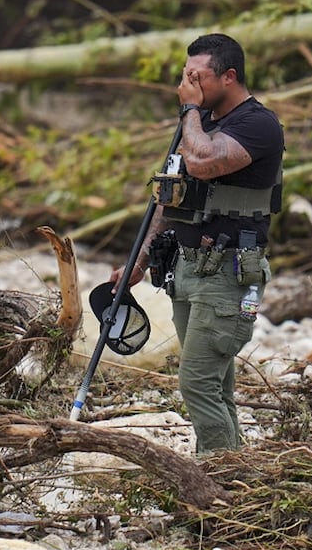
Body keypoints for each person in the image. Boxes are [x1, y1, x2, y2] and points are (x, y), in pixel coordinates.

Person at [109, 33, 285, 453]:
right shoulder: (199, 125)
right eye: (184, 76)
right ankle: (236, 475)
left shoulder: (258, 124)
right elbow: (169, 197)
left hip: (229, 273)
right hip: (189, 269)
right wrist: (142, 257)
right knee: (216, 384)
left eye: (196, 77)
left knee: (197, 382)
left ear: (228, 76)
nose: (186, 86)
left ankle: (217, 478)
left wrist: (189, 109)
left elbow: (204, 163)